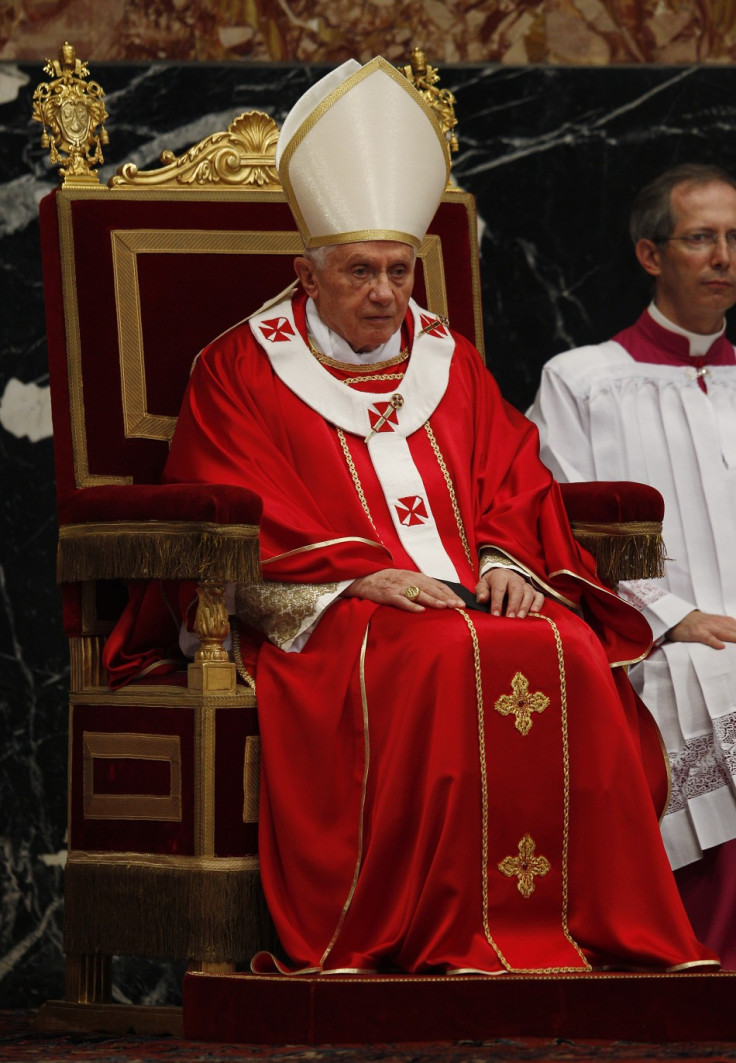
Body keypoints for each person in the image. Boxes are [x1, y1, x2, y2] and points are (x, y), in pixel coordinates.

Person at [105, 61, 717, 975]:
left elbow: (514, 473)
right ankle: (431, 930)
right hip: (335, 605)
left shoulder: (449, 357)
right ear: (305, 272)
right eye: (360, 271)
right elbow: (231, 497)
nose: (387, 293)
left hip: (469, 589)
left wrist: (511, 555)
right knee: (445, 652)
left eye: (399, 269)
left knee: (572, 649)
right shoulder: (238, 368)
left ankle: (589, 932)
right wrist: (363, 574)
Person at [527, 162, 736, 968]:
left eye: (733, 238)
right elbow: (563, 525)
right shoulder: (581, 381)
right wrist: (672, 615)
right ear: (651, 255)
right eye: (701, 238)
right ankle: (706, 964)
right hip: (651, 645)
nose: (723, 256)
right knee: (716, 680)